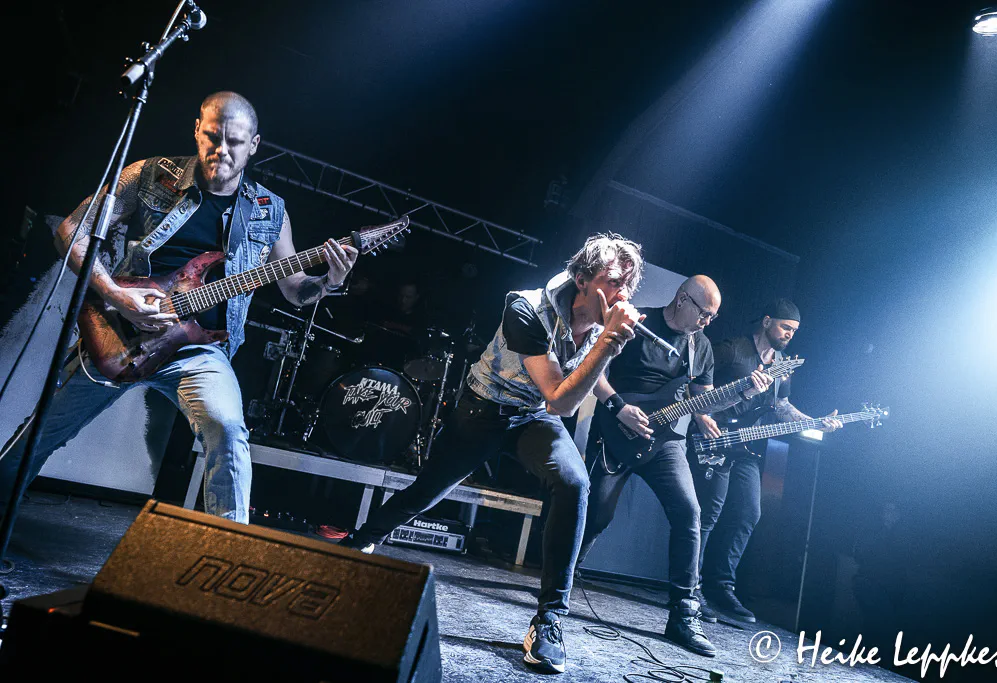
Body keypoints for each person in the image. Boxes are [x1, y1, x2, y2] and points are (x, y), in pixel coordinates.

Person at [0, 92, 358, 523]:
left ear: (254, 145)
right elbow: (71, 230)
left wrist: (329, 282)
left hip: (200, 351)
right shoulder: (150, 174)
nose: (221, 150)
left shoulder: (270, 211)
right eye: (212, 137)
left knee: (228, 432)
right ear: (197, 130)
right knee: (40, 433)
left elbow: (295, 289)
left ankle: (227, 554)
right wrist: (116, 294)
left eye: (235, 142)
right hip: (122, 333)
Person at [340, 233, 645, 674]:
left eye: (629, 285)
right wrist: (609, 342)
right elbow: (561, 399)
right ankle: (359, 542)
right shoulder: (526, 308)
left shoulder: (602, 324)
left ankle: (550, 619)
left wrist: (609, 361)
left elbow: (581, 378)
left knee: (574, 482)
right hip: (483, 411)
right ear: (582, 278)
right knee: (425, 493)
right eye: (614, 280)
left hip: (531, 417)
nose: (623, 294)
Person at [578, 275, 774, 657]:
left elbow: (703, 402)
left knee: (689, 512)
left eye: (713, 317)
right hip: (618, 430)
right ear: (682, 299)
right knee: (597, 515)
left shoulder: (701, 347)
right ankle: (565, 573)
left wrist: (745, 391)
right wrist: (619, 407)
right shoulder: (637, 322)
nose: (707, 322)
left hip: (665, 442)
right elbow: (593, 369)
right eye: (704, 313)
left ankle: (684, 613)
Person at [692, 298, 841, 623]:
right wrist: (701, 416)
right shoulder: (733, 350)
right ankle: (690, 587)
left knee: (749, 513)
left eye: (794, 331)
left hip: (745, 447)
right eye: (786, 327)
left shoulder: (782, 366)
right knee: (709, 514)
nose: (789, 334)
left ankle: (721, 587)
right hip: (713, 439)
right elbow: (694, 379)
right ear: (767, 321)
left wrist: (815, 422)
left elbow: (781, 407)